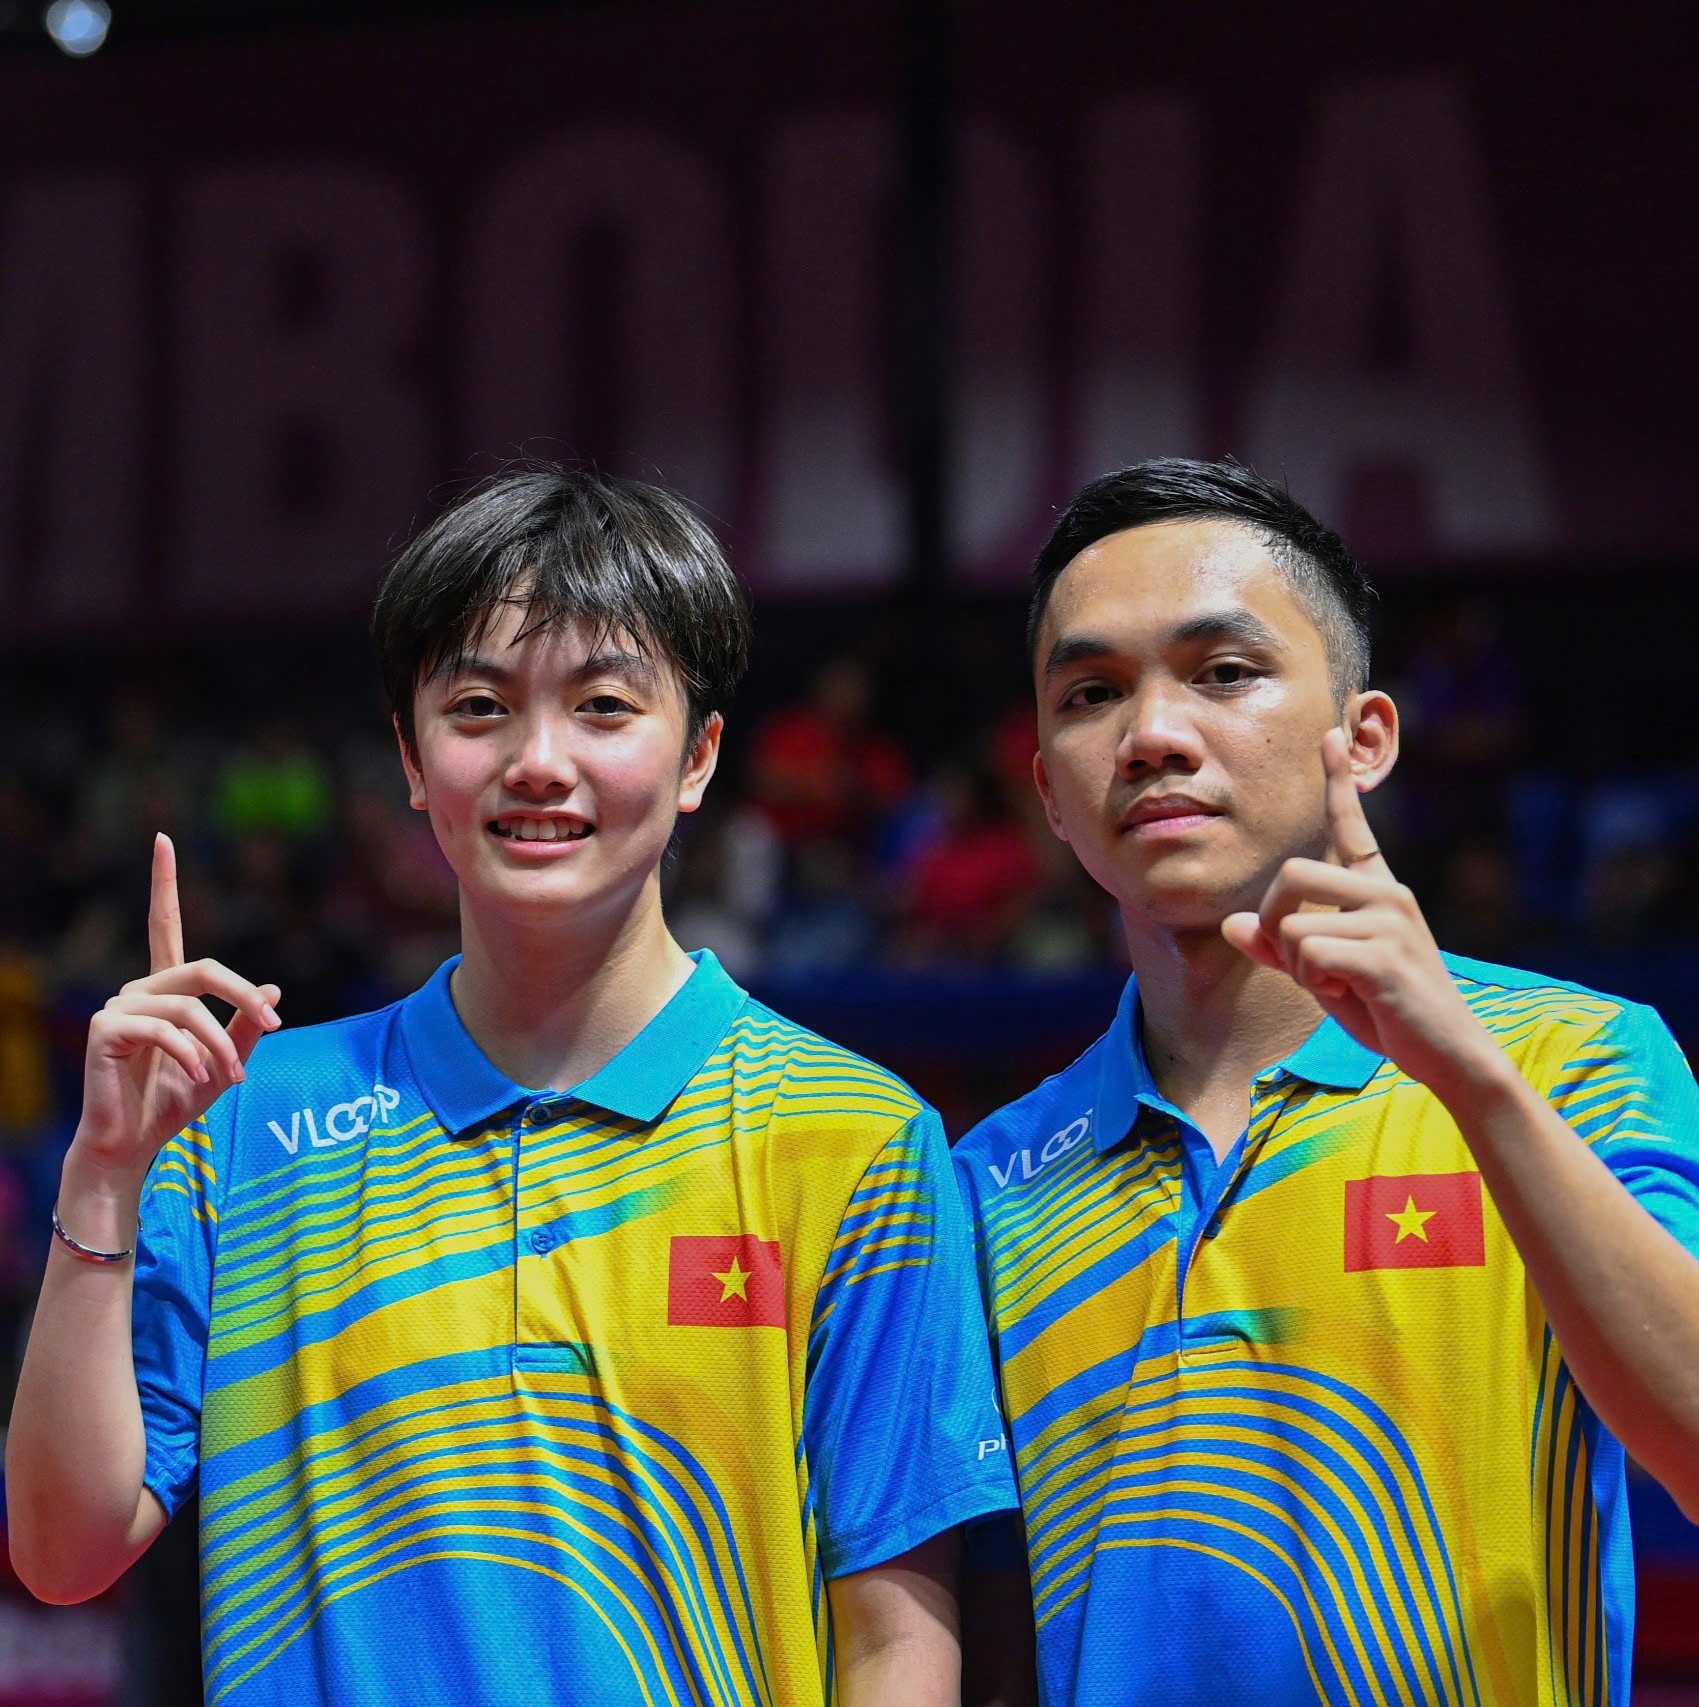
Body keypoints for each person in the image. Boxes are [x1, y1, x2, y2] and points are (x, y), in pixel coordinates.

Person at [6, 468, 1017, 1707]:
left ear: (698, 756)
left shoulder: (852, 1138)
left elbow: (896, 1640)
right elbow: (63, 1552)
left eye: (604, 707)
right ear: (411, 757)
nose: (539, 762)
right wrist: (105, 1180)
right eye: (479, 707)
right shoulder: (249, 1119)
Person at [952, 458, 1699, 1707]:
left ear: (1363, 739)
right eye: (1091, 694)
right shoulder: (985, 1182)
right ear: (1052, 800)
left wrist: (1467, 1077)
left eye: (1222, 673)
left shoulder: (1574, 1060)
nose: (1151, 736)